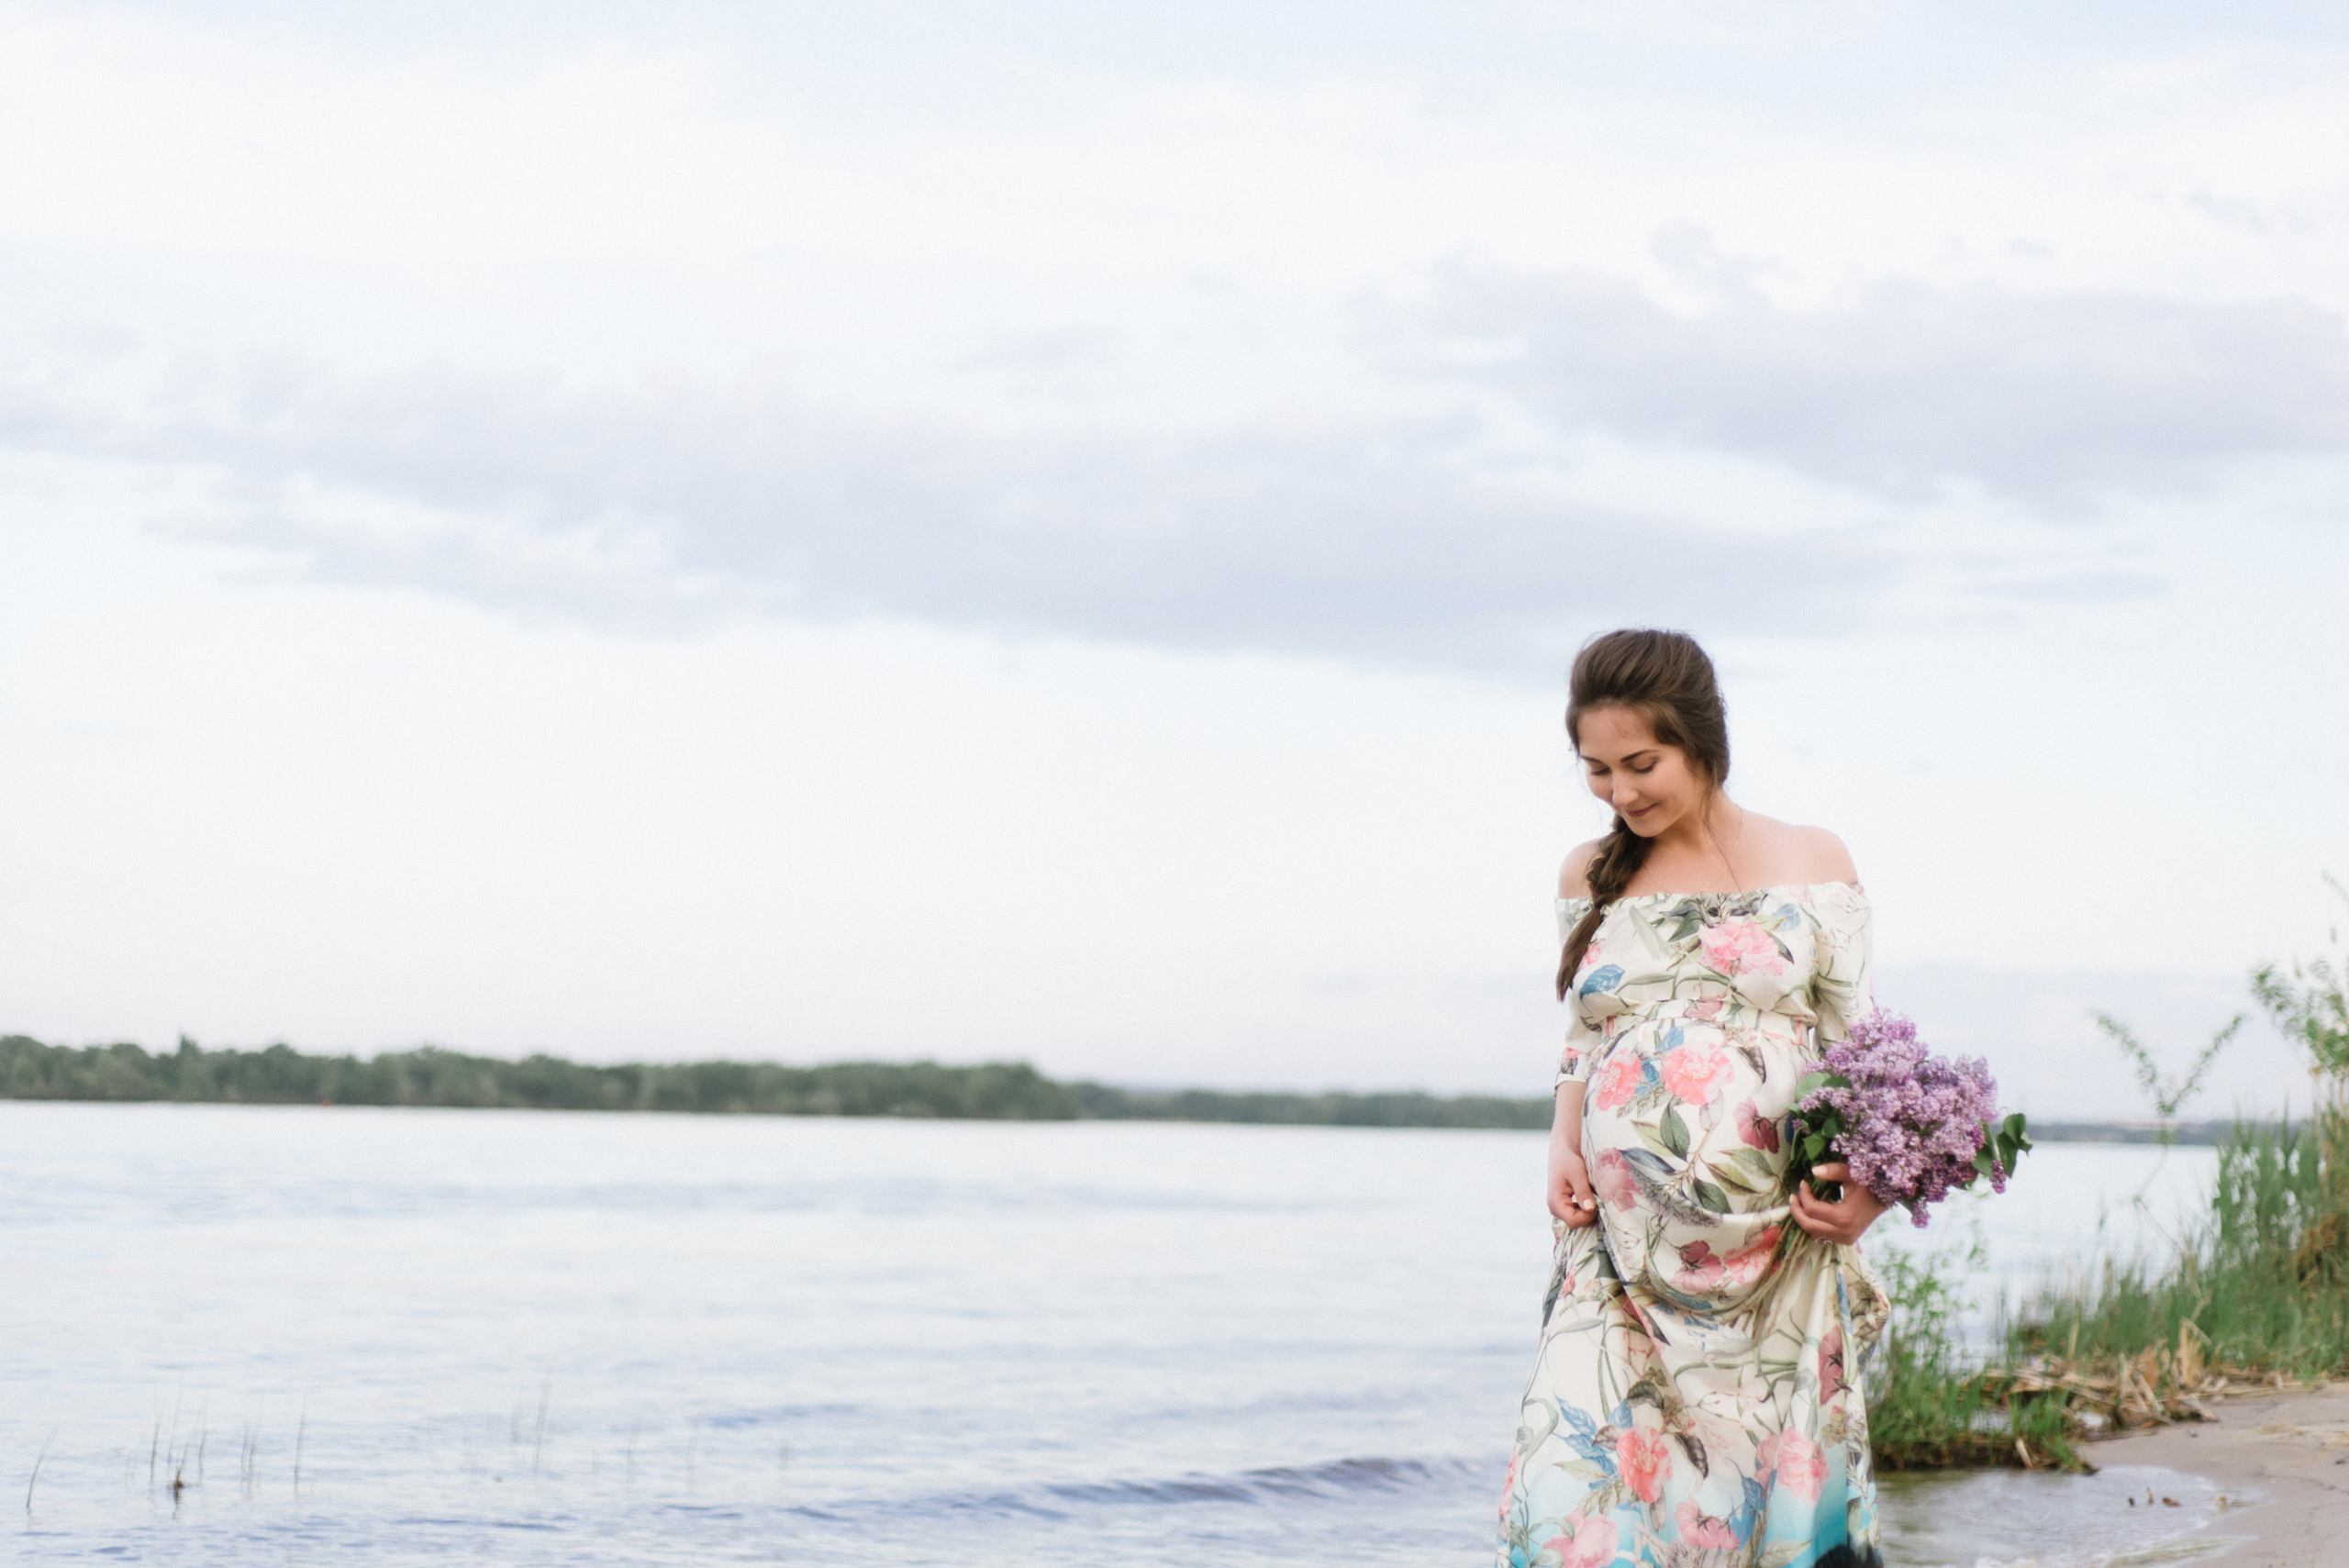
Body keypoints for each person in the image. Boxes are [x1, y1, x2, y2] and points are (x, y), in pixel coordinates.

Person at [1497, 628, 1889, 1568]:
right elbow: (1588, 1030)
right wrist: (1561, 1138)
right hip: (1618, 1255)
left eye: (1641, 763)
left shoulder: (1811, 857)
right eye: (1594, 769)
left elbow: (1864, 1047)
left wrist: (1870, 1186)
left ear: (1703, 742)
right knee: (1573, 1480)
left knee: (1764, 1490)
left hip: (1775, 1249)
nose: (1620, 792)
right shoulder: (1586, 872)